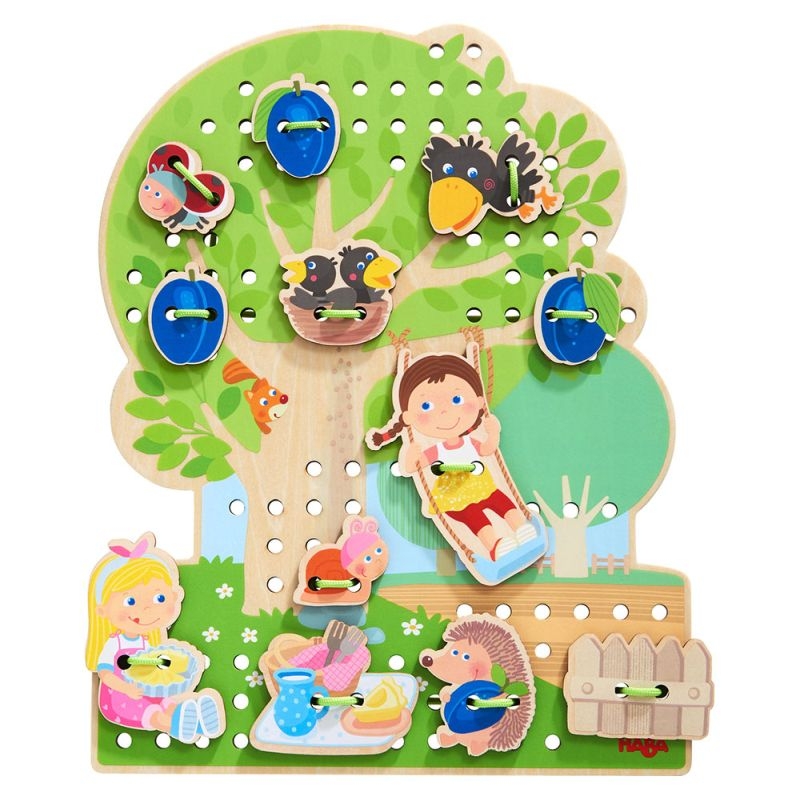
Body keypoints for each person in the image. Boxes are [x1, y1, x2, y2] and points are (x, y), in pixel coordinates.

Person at [368, 353, 538, 560]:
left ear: (479, 402)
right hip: (455, 497)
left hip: (482, 486)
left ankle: (521, 528)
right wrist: (411, 458)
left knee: (502, 501)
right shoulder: (438, 450)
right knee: (476, 518)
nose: (445, 412)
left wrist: (493, 433)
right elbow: (415, 466)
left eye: (457, 400)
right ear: (410, 416)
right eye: (426, 406)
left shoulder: (469, 442)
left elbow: (487, 450)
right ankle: (495, 545)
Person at [86, 533, 224, 743]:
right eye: (130, 601)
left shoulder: (148, 643)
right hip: (121, 699)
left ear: (174, 596)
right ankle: (178, 727)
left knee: (169, 704)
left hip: (151, 693)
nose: (146, 609)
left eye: (159, 598)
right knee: (154, 714)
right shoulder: (114, 643)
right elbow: (105, 673)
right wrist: (126, 689)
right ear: (102, 609)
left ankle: (200, 720)